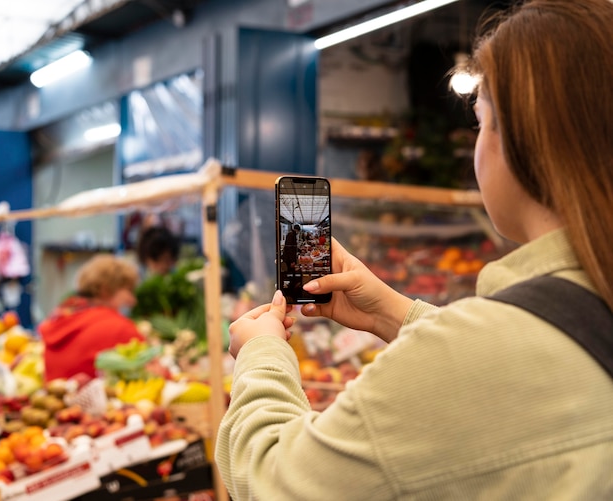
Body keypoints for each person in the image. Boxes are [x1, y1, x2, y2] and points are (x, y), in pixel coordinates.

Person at [215, 1, 613, 499]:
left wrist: (262, 353)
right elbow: (535, 366)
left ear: (522, 142)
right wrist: (395, 314)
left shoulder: (469, 353)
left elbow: (276, 480)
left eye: (480, 121)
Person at [38, 254, 144, 381]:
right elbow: (153, 369)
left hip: (52, 396)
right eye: (129, 291)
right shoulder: (117, 327)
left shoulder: (61, 316)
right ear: (106, 290)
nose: (133, 300)